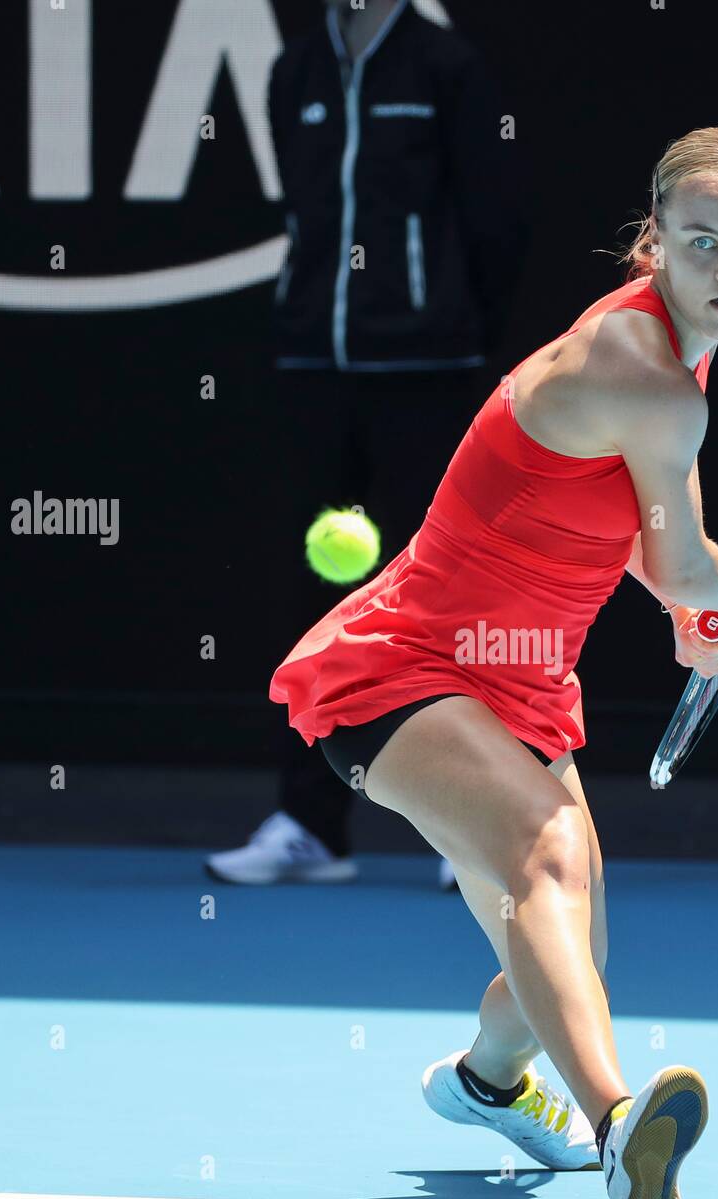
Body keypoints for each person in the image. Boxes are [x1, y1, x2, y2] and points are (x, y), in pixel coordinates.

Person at [270, 126, 718, 1199]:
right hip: (404, 663)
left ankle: (487, 1083)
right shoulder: (645, 372)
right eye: (703, 243)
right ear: (654, 244)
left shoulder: (673, 359)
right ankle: (617, 1125)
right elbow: (687, 561)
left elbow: (653, 542)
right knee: (545, 867)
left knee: (565, 950)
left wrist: (699, 598)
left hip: (521, 681)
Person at [206, 0, 530, 889]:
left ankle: (469, 824)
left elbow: (494, 221)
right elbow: (305, 215)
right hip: (316, 365)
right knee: (324, 592)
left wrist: (451, 330)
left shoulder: (447, 68)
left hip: (429, 369)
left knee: (450, 593)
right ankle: (311, 825)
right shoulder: (293, 72)